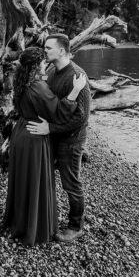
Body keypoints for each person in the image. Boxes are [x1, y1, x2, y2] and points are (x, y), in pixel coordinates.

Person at [3, 47, 86, 246]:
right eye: (42, 62)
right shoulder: (38, 86)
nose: (45, 65)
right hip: (35, 137)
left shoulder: (21, 81)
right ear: (34, 66)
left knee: (23, 179)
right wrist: (75, 90)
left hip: (21, 132)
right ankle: (34, 227)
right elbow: (58, 112)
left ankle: (19, 220)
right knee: (34, 179)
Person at [26, 34, 93, 243]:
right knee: (46, 176)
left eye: (48, 48)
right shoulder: (52, 70)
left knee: (71, 183)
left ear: (62, 51)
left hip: (71, 140)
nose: (44, 51)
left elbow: (81, 119)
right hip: (53, 135)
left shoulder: (78, 77)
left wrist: (50, 128)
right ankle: (46, 216)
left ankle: (75, 226)